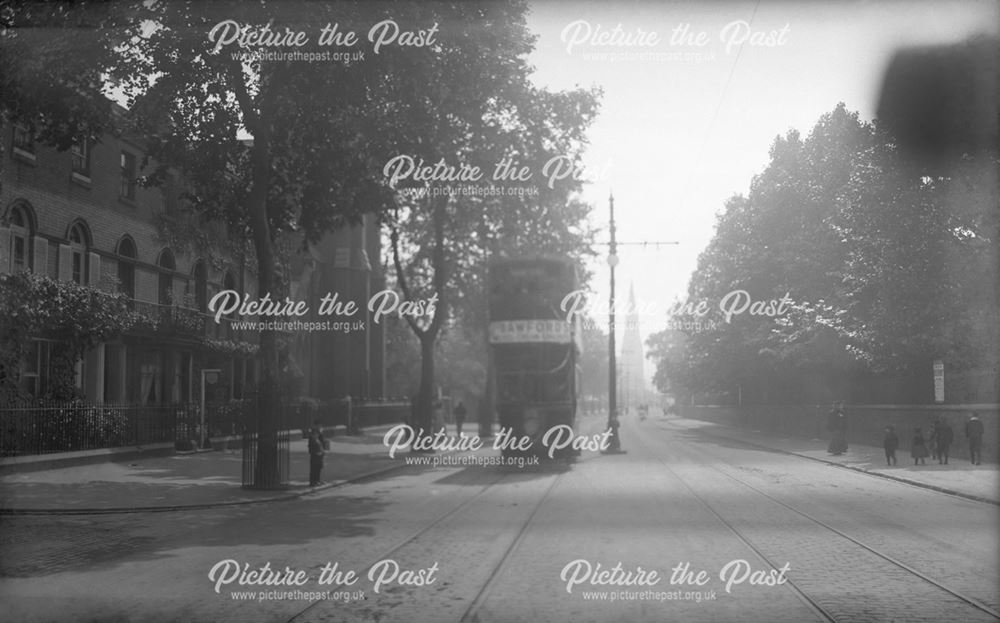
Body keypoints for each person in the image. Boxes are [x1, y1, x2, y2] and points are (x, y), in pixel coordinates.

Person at [307, 419, 326, 487]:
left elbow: (322, 441)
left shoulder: (319, 431)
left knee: (318, 467)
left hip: (320, 451)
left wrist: (322, 450)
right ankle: (312, 482)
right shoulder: (313, 431)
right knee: (314, 468)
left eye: (320, 425)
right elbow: (313, 442)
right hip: (315, 452)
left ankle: (317, 480)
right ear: (316, 425)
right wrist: (315, 451)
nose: (320, 426)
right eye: (319, 425)